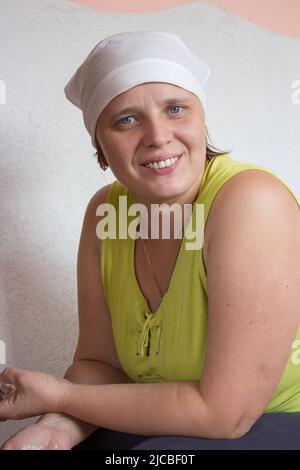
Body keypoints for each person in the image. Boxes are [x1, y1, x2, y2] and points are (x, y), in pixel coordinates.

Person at [0, 30, 300, 451]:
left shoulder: (251, 202)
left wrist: (60, 396)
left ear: (201, 121)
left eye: (175, 109)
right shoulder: (107, 212)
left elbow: (225, 415)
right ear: (101, 149)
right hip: (162, 423)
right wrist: (56, 429)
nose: (158, 135)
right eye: (126, 119)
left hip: (275, 421)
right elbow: (98, 366)